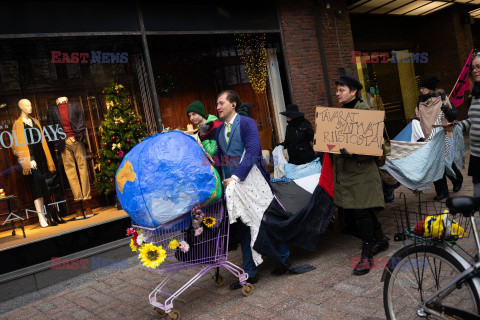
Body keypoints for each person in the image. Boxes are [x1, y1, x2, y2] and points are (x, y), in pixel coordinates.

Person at [215, 90, 290, 289]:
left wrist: (236, 176)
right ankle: (250, 273)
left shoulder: (247, 123)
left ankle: (284, 259)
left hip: (252, 182)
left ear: (233, 104)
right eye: (217, 104)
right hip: (233, 188)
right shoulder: (218, 131)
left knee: (266, 221)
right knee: (244, 227)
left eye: (221, 103)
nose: (218, 107)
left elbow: (253, 151)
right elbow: (220, 160)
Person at [333, 75, 387, 276]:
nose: (337, 94)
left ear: (354, 91)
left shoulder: (365, 112)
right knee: (359, 211)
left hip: (362, 171)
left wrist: (356, 152)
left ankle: (367, 255)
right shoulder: (339, 114)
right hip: (346, 172)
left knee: (362, 212)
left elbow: (378, 147)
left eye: (341, 90)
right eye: (337, 90)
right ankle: (380, 239)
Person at [416, 75, 462, 200]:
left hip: (444, 135)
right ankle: (442, 192)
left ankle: (457, 179)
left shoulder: (443, 98)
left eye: (423, 88)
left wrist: (447, 110)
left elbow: (454, 115)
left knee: (446, 163)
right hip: (429, 138)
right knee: (435, 164)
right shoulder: (420, 102)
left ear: (430, 88)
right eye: (420, 88)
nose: (421, 90)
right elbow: (417, 119)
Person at [47, 97, 93, 220]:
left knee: (83, 168)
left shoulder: (76, 105)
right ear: (56, 101)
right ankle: (78, 203)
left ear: (66, 100)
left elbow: (81, 121)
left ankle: (87, 202)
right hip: (63, 143)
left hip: (77, 140)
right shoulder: (52, 110)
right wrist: (59, 141)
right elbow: (51, 128)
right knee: (70, 172)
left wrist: (76, 136)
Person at [457, 53, 480, 197]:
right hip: (476, 154)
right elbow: (474, 119)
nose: (475, 71)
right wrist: (458, 126)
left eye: (479, 67)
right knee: (478, 197)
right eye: (473, 68)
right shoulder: (476, 93)